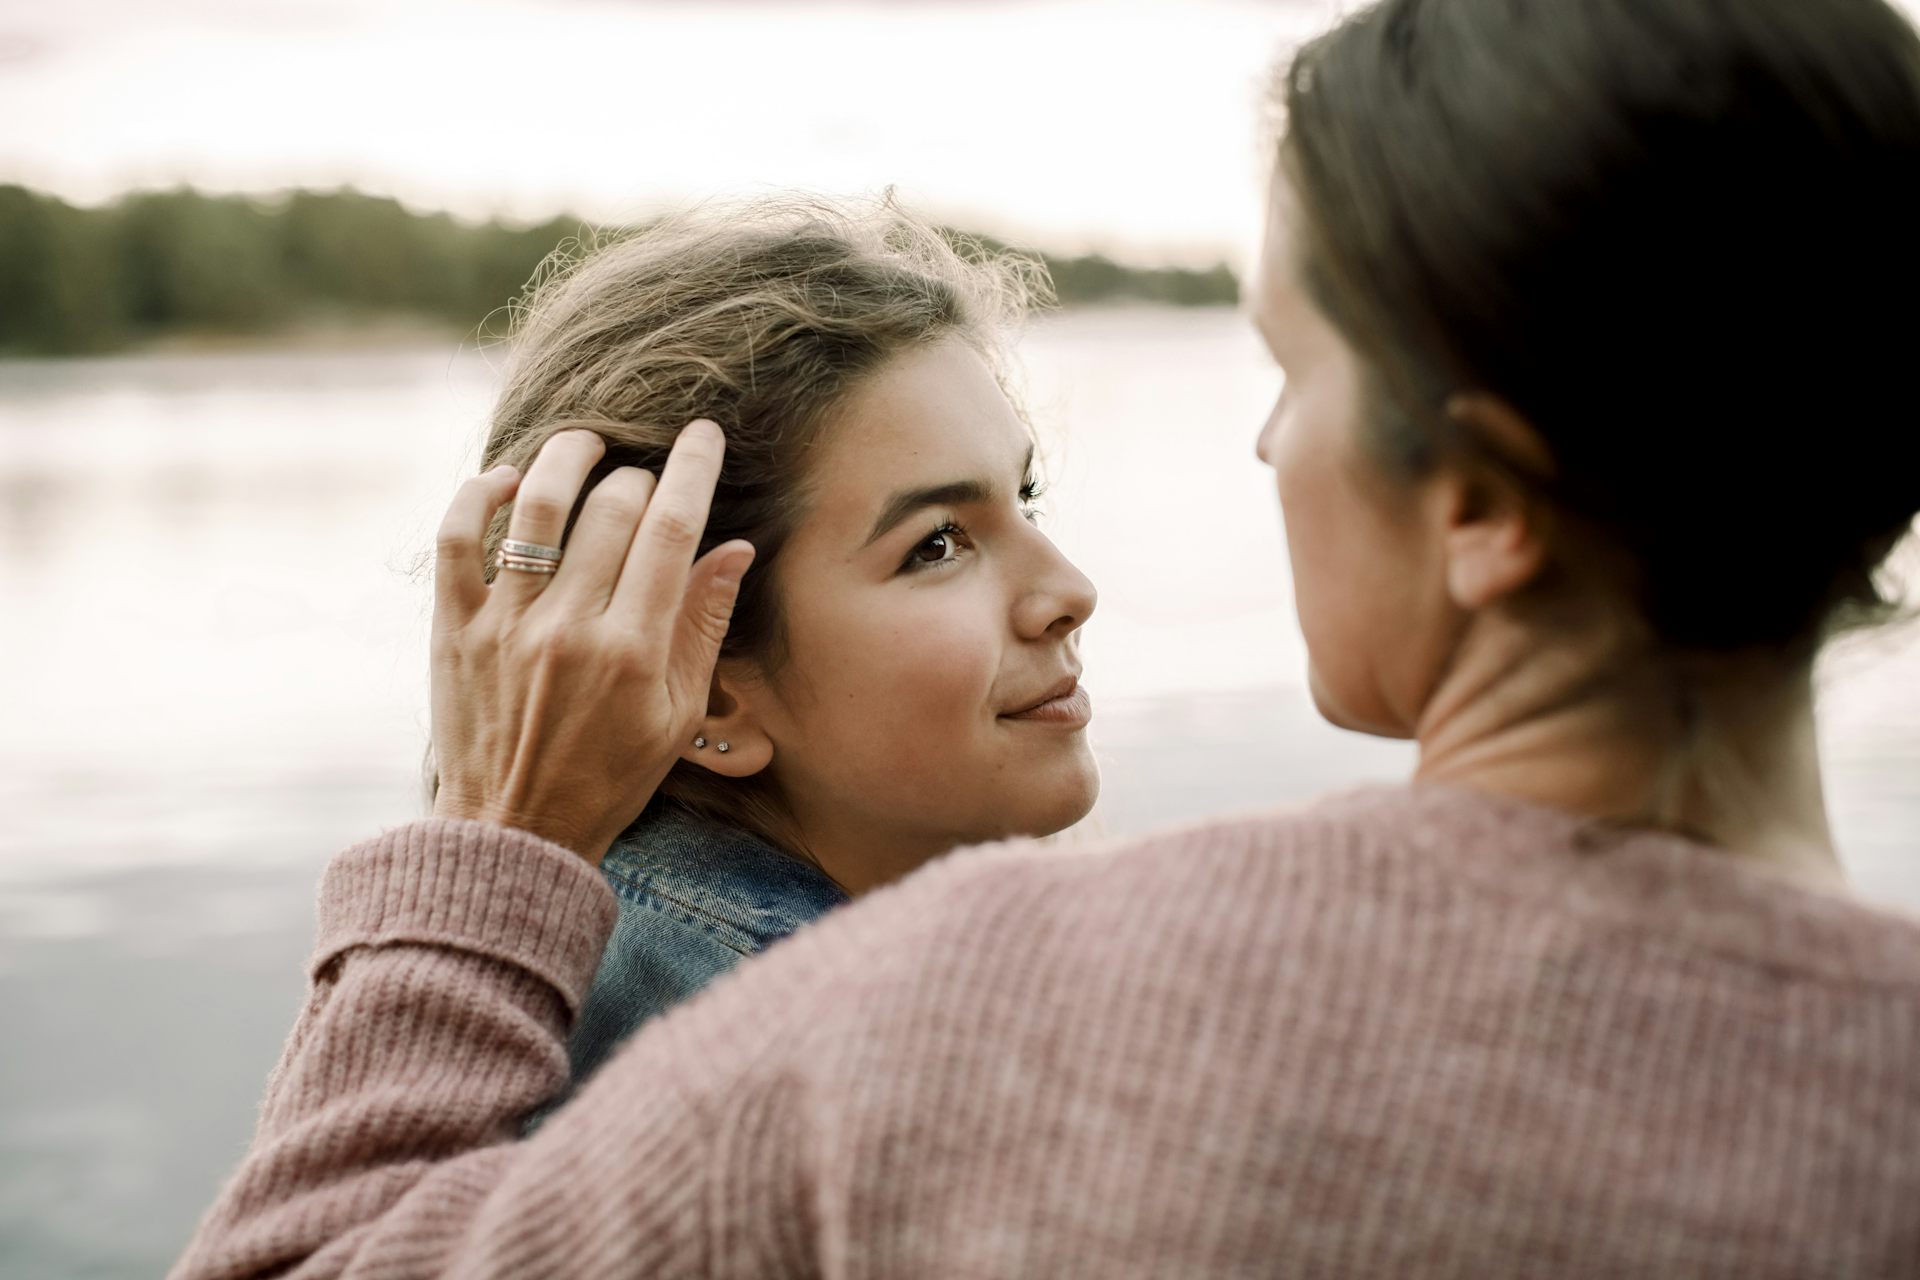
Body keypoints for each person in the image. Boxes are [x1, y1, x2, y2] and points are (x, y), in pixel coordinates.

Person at [173, 0, 1920, 1275]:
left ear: (1482, 500)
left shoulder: (981, 1017)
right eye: (943, 535)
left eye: (1295, 366)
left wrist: (485, 849)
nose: (1264, 446)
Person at [452, 200, 1099, 1097]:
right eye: (937, 543)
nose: (1069, 593)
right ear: (709, 692)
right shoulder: (818, 1066)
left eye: (1025, 499)